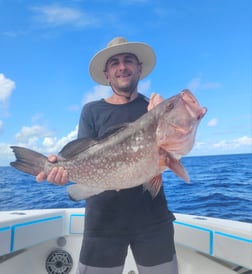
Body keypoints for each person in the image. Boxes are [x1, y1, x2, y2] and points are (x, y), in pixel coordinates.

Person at [37, 37, 179, 274]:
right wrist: (60, 168)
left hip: (153, 220)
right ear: (107, 74)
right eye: (115, 62)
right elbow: (81, 154)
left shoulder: (154, 110)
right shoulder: (91, 110)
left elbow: (174, 146)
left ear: (139, 68)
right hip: (102, 221)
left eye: (128, 60)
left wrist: (165, 114)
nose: (122, 66)